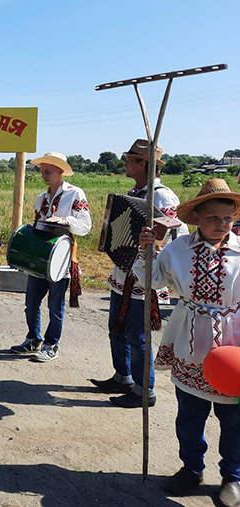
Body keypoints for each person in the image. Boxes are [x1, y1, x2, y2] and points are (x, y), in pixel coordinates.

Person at [134, 178, 240, 504]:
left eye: (228, 219)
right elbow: (148, 280)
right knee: (189, 416)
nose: (221, 225)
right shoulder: (179, 250)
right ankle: (191, 468)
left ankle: (233, 478)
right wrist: (147, 250)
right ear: (197, 217)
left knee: (234, 421)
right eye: (213, 218)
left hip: (233, 349)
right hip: (189, 343)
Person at [90, 139, 190, 408]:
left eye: (130, 159)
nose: (125, 163)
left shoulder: (162, 195)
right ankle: (122, 376)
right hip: (124, 272)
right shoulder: (135, 191)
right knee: (117, 328)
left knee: (137, 334)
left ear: (143, 164)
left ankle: (145, 389)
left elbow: (174, 233)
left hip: (146, 274)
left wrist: (150, 245)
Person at [8, 152, 92, 361]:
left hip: (62, 258)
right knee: (32, 302)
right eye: (42, 172)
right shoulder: (41, 198)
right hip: (40, 256)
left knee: (55, 305)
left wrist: (65, 221)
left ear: (61, 172)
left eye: (48, 172)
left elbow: (85, 226)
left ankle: (51, 344)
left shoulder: (75, 194)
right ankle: (33, 339)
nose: (44, 176)